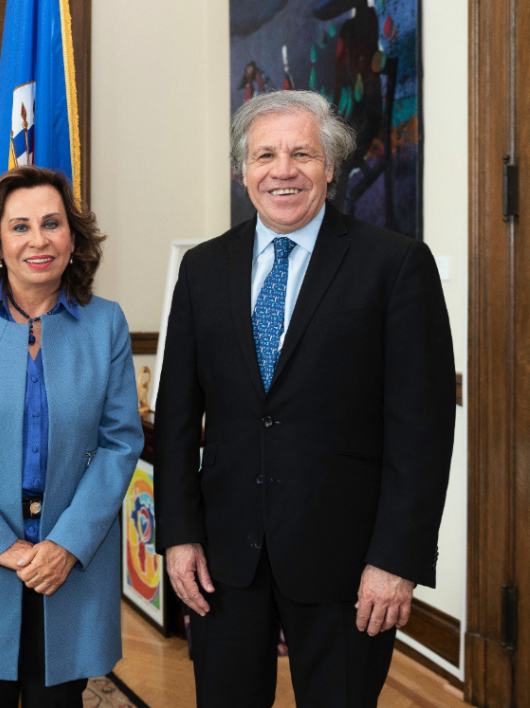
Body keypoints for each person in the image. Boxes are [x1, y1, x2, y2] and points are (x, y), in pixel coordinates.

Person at [154, 90, 456, 708]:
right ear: (243, 172)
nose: (282, 170)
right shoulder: (204, 269)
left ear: (331, 168)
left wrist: (395, 560)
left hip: (347, 566)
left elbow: (421, 432)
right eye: (265, 155)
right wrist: (179, 536)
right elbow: (179, 419)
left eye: (302, 154)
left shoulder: (394, 266)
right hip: (225, 562)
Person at [0, 166, 144, 708]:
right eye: (20, 226)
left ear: (73, 238)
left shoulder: (105, 322)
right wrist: (4, 546)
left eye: (51, 223)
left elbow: (119, 443)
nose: (37, 239)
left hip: (70, 565)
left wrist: (65, 545)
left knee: (59, 700)